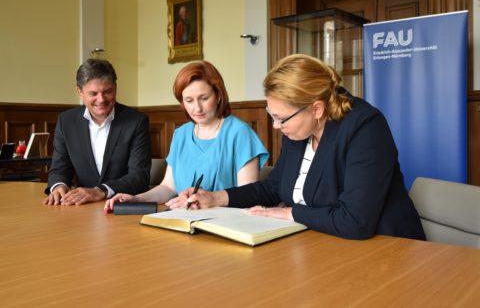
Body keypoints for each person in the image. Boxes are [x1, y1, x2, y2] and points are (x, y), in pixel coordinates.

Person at [167, 54, 426, 241]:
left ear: (316, 108)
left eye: (282, 118)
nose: (276, 126)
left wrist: (288, 213)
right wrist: (216, 198)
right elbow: (273, 187)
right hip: (321, 242)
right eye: (272, 115)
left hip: (388, 246)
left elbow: (354, 221)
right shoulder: (298, 129)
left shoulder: (365, 127)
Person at [104, 61, 268, 212]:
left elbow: (249, 196)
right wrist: (135, 199)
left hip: (225, 226)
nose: (197, 108)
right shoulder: (180, 134)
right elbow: (168, 188)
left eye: (204, 98)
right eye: (189, 100)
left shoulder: (240, 133)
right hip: (184, 222)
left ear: (218, 95)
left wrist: (202, 202)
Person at [43, 59, 151, 206]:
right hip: (81, 208)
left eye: (107, 91)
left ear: (115, 88)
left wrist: (100, 191)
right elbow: (59, 168)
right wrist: (59, 186)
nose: (101, 99)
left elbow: (139, 176)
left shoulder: (136, 121)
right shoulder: (66, 121)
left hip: (121, 207)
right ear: (80, 92)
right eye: (93, 93)